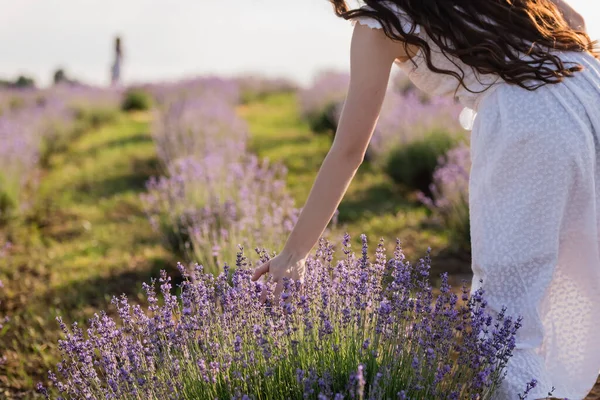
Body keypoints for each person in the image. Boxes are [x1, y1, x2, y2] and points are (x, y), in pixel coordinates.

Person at [252, 0, 600, 399]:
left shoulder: (379, 24)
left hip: (529, 115)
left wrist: (293, 254)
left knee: (506, 315)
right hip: (586, 83)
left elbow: (349, 149)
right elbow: (574, 19)